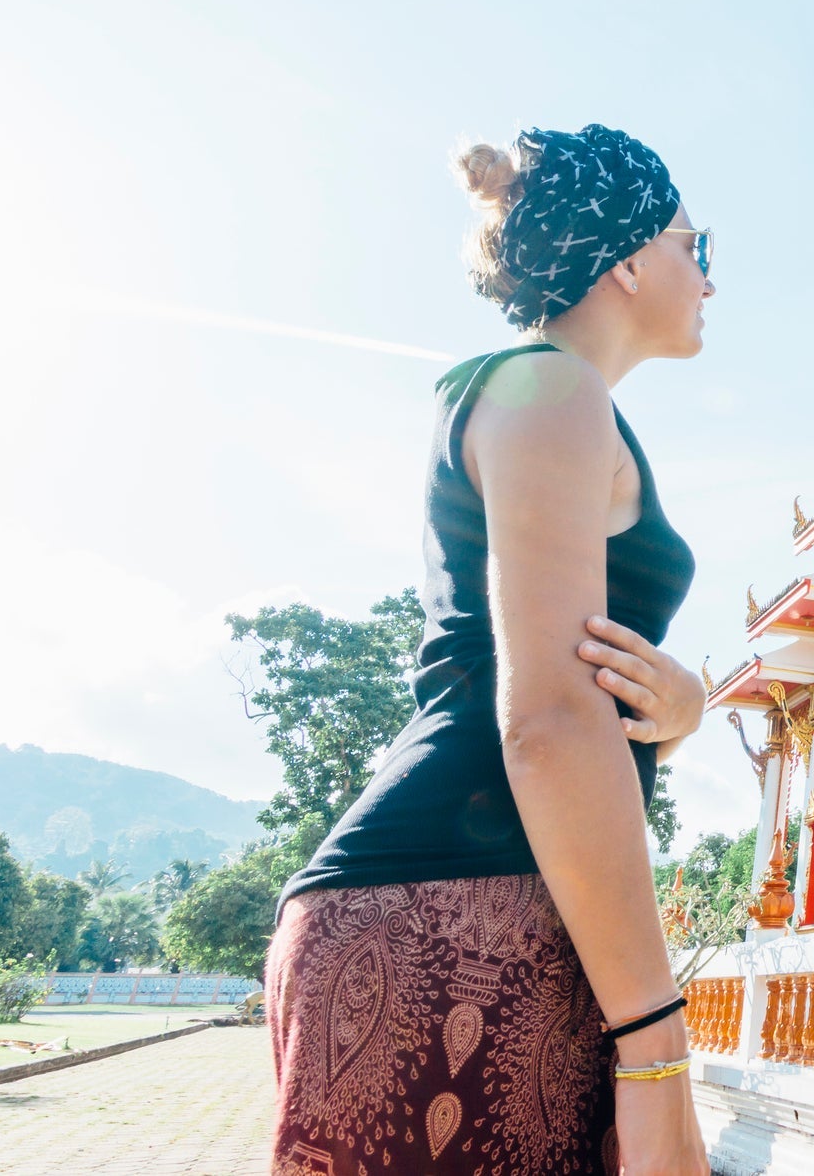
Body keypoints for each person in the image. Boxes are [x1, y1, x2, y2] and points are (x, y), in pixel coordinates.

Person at [264, 124, 716, 1176]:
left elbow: (561, 687)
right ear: (631, 257)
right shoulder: (547, 387)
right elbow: (546, 720)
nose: (707, 277)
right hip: (455, 912)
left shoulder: (555, 399)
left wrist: (679, 706)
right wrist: (658, 1048)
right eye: (699, 245)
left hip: (503, 906)